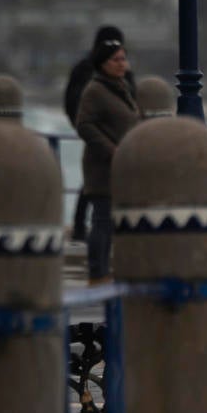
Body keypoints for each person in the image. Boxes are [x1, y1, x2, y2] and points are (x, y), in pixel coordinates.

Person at [74, 40, 138, 282]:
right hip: (102, 167)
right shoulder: (95, 90)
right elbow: (84, 125)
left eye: (124, 58)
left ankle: (105, 271)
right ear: (103, 63)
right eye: (116, 59)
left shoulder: (119, 87)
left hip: (120, 167)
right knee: (101, 221)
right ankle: (97, 273)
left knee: (111, 221)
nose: (122, 64)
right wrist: (112, 150)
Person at [65, 25, 130, 242]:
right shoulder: (91, 77)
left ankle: (81, 228)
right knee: (97, 194)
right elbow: (79, 110)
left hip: (114, 139)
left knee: (95, 190)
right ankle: (83, 232)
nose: (121, 63)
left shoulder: (117, 74)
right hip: (103, 139)